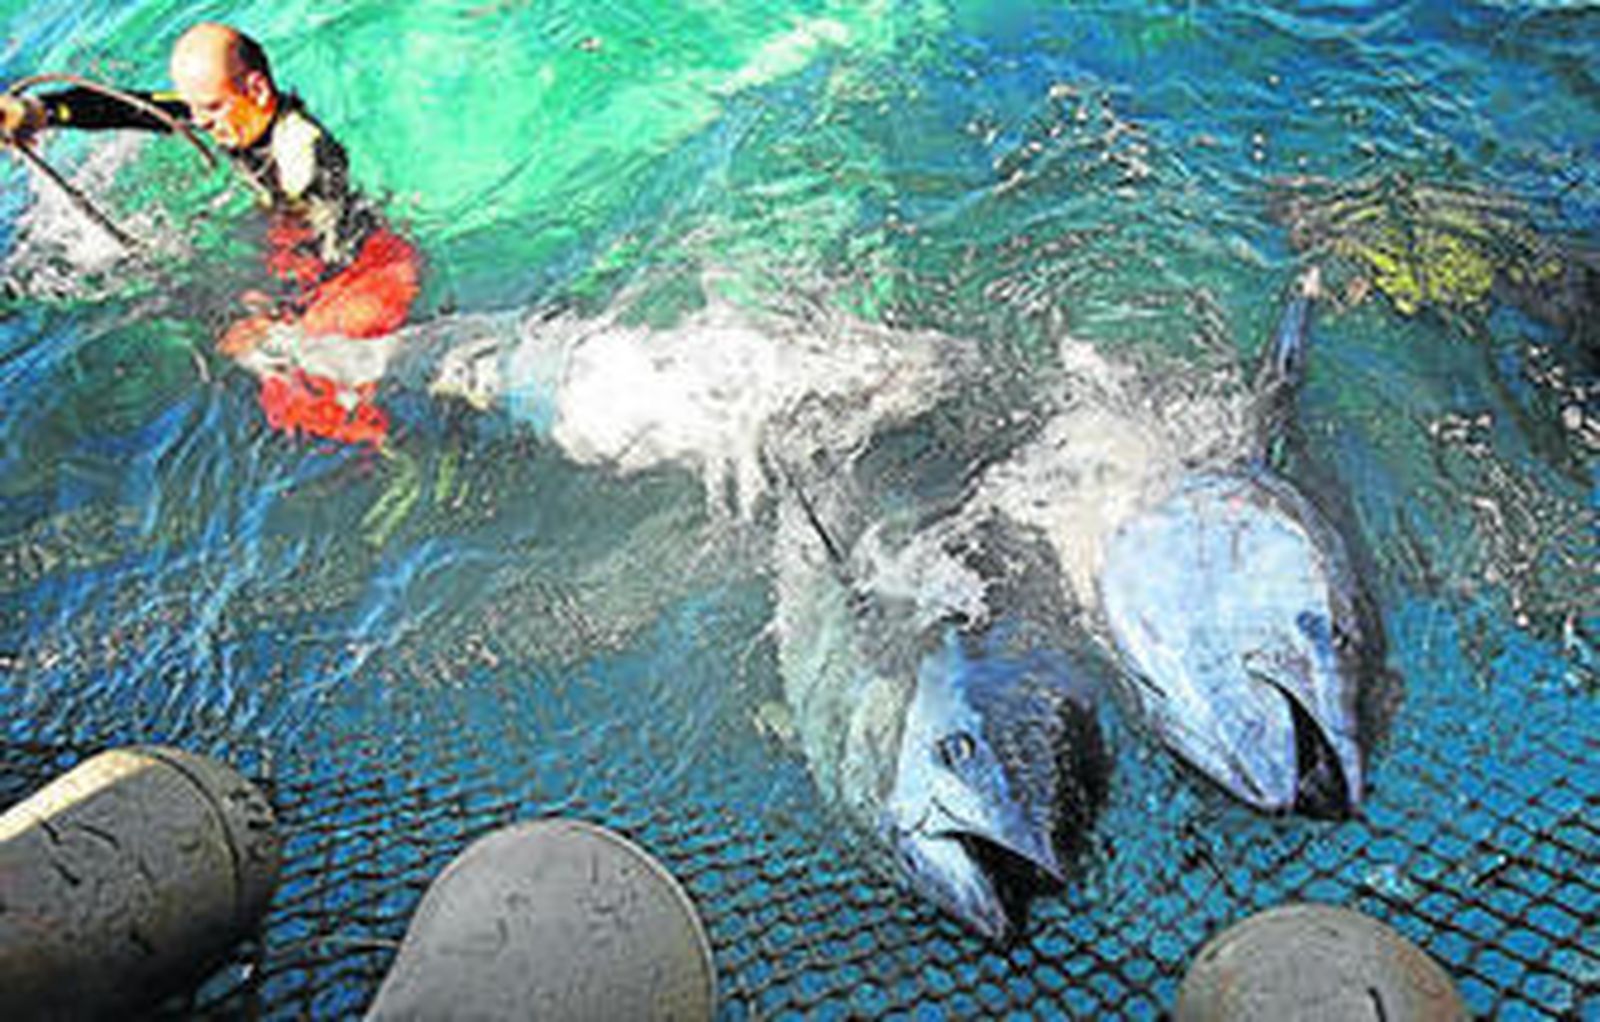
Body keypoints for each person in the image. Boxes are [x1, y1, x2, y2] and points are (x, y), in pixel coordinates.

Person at [0, 22, 418, 447]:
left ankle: (405, 446)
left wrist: (279, 313)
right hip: (294, 238)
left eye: (211, 109)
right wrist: (40, 112)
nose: (199, 122)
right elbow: (136, 109)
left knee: (303, 392)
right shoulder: (228, 110)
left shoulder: (303, 152)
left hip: (366, 266)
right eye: (196, 108)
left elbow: (337, 244)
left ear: (256, 89)